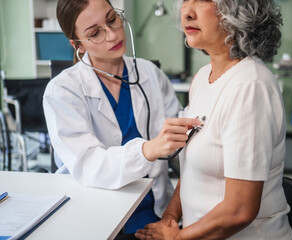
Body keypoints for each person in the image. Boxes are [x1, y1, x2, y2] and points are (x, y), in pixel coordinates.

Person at [135, 0, 292, 239]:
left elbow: (239, 211)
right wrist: (169, 218)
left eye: (202, 1)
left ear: (238, 11)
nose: (186, 13)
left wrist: (176, 237)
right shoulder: (201, 79)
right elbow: (192, 172)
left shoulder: (249, 86)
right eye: (185, 2)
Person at [43, 0, 200, 236]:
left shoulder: (150, 74)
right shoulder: (63, 91)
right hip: (94, 215)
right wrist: (148, 150)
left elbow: (181, 145)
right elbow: (90, 164)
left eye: (111, 20)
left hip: (154, 211)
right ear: (78, 45)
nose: (111, 35)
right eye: (95, 33)